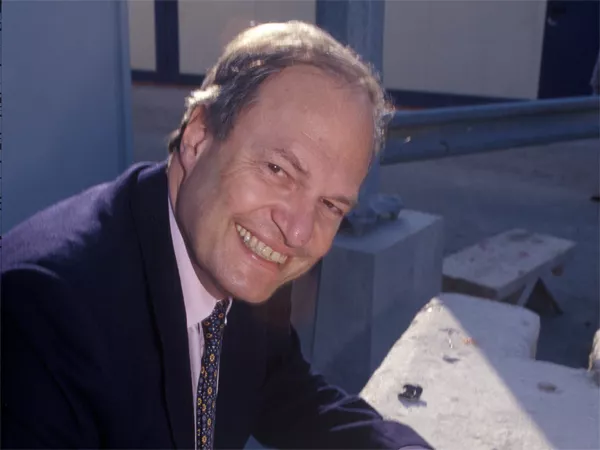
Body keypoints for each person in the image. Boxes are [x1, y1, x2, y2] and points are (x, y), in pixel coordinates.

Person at [1, 21, 432, 449]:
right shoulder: (43, 315)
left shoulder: (247, 249)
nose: (298, 232)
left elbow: (278, 386)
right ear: (198, 138)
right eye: (277, 170)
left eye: (331, 205)